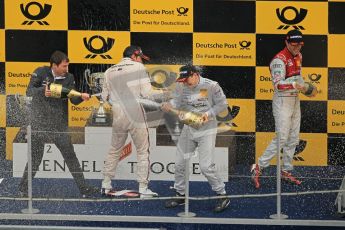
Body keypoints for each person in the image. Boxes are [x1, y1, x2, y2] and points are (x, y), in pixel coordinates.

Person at [19, 50, 98, 197]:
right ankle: (23, 189)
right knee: (35, 158)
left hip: (59, 125)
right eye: (64, 66)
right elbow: (29, 91)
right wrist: (44, 90)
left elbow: (73, 99)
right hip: (39, 123)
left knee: (70, 157)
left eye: (67, 66)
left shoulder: (69, 77)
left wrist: (82, 96)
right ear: (54, 65)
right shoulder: (40, 72)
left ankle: (84, 189)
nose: (66, 70)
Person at [161, 64, 230, 213]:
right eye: (183, 79)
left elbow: (223, 104)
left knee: (206, 166)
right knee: (179, 163)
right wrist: (169, 104)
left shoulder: (211, 85)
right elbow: (177, 102)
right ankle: (180, 194)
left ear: (195, 74)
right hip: (189, 125)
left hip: (207, 128)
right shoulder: (181, 85)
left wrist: (209, 114)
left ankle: (222, 195)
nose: (185, 82)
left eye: (187, 79)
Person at [251, 29, 308, 189]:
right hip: (283, 100)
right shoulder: (279, 60)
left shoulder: (298, 56)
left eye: (300, 44)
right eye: (294, 44)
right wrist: (296, 85)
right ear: (287, 42)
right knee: (282, 137)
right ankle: (258, 167)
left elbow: (298, 75)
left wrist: (305, 87)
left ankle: (286, 170)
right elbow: (278, 85)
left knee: (294, 137)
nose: (297, 48)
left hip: (295, 98)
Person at [100, 45, 158, 198]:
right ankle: (143, 188)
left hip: (118, 113)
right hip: (135, 111)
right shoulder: (138, 67)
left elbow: (104, 98)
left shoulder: (109, 70)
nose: (141, 61)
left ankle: (105, 184)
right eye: (140, 57)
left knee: (114, 149)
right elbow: (147, 94)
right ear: (134, 55)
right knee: (142, 151)